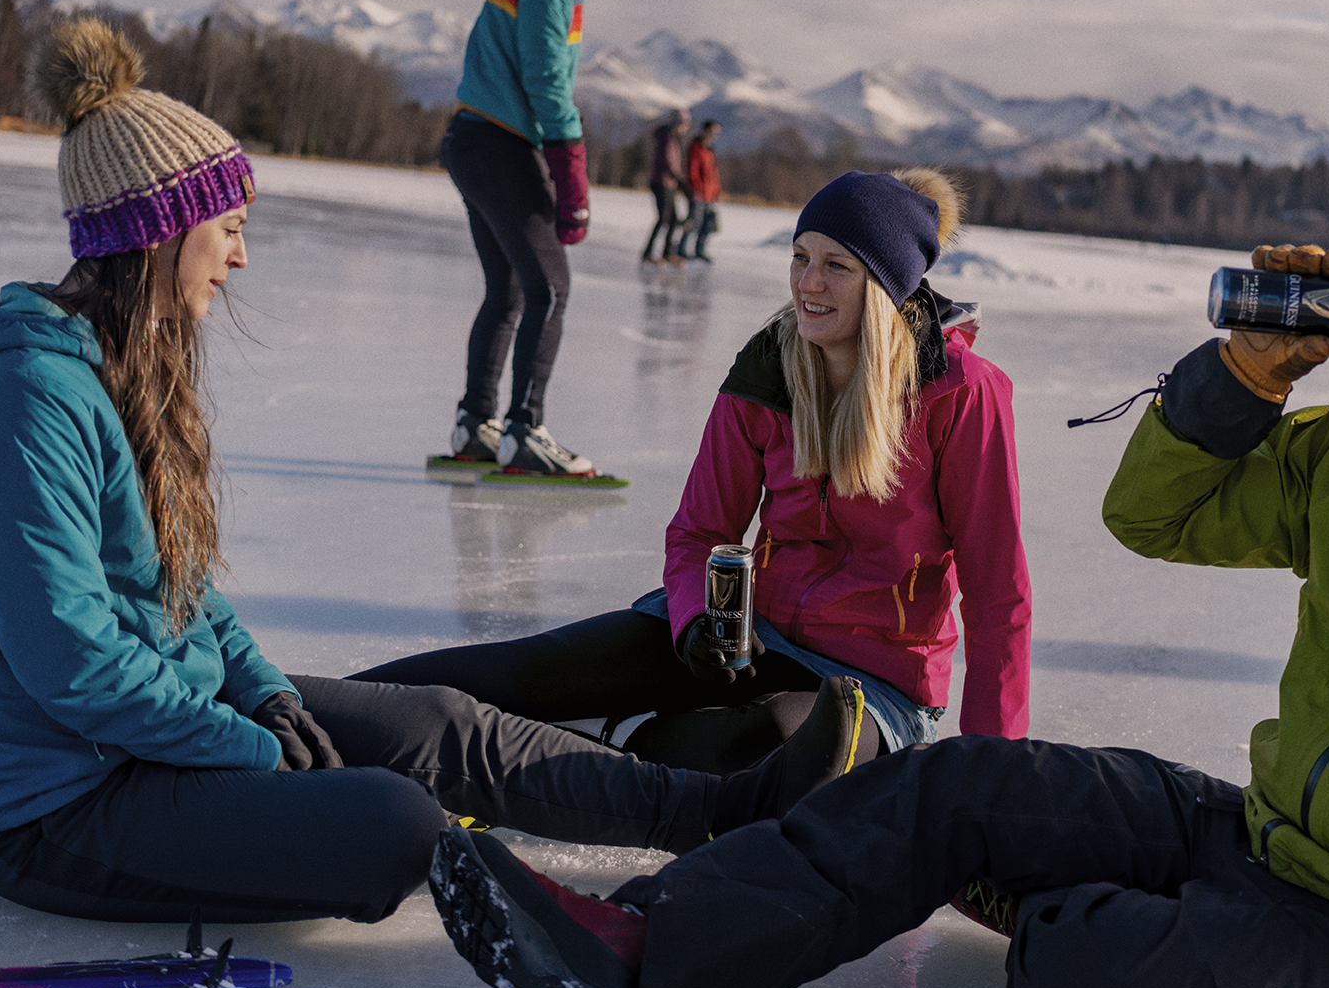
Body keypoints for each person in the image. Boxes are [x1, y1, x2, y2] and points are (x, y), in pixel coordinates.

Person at [426, 201, 1329, 988]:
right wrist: (1239, 381)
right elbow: (1154, 517)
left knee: (1085, 965)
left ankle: (1066, 906)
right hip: (1262, 840)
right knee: (956, 787)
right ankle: (644, 944)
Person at [0, 18, 865, 928]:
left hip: (163, 724)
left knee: (440, 724)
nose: (241, 256)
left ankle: (720, 808)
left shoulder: (121, 366)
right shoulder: (18, 403)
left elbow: (183, 595)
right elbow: (73, 668)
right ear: (160, 228)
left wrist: (263, 692)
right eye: (229, 226)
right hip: (60, 804)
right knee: (391, 823)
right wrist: (256, 751)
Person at [357, 168, 1032, 775]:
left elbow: (998, 593)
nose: (808, 283)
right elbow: (698, 530)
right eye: (799, 258)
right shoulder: (772, 363)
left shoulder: (959, 392)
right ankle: (297, 713)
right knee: (523, 670)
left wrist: (990, 775)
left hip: (870, 684)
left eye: (836, 266)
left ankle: (555, 757)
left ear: (885, 285)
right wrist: (691, 622)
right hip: (742, 636)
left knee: (748, 751)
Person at [443, 0, 624, 477]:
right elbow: (546, 77)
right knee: (550, 288)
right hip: (498, 141)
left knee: (513, 288)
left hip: (476, 138)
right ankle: (524, 430)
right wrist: (570, 169)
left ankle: (476, 425)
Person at [641, 107, 690, 265]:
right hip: (662, 183)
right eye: (685, 124)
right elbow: (669, 163)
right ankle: (648, 253)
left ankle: (667, 253)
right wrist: (681, 181)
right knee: (664, 219)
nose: (686, 127)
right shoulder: (667, 138)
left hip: (668, 183)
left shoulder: (672, 138)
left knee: (673, 220)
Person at [679, 118, 721, 261]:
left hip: (710, 195)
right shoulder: (696, 147)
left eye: (716, 133)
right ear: (704, 131)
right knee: (693, 223)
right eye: (712, 132)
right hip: (699, 193)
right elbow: (693, 171)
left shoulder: (711, 151)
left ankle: (699, 250)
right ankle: (681, 249)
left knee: (708, 225)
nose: (714, 136)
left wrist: (716, 191)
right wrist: (696, 189)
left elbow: (713, 173)